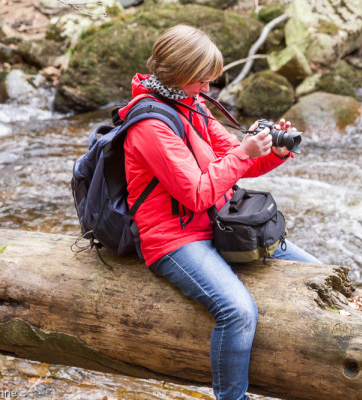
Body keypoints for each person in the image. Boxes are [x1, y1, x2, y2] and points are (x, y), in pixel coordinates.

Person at [120, 24, 321, 400]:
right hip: (173, 239)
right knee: (238, 311)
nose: (209, 90)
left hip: (216, 222)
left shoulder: (191, 105)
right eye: (202, 80)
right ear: (179, 75)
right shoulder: (150, 126)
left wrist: (270, 151)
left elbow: (237, 162)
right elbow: (197, 192)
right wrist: (243, 153)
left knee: (318, 272)